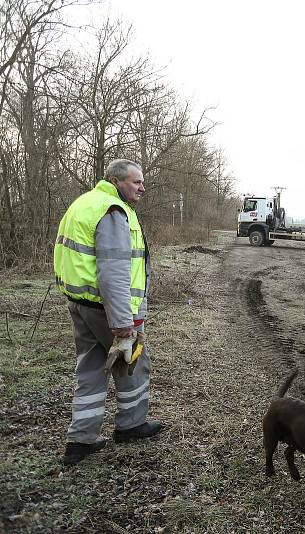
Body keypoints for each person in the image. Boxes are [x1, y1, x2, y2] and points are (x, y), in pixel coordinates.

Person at [54, 159, 161, 465]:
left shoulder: (84, 203)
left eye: (142, 182)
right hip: (107, 309)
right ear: (116, 181)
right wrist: (123, 325)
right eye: (136, 182)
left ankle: (81, 441)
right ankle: (132, 425)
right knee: (134, 363)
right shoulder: (112, 211)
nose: (142, 187)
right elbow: (113, 272)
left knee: (89, 368)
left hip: (80, 304)